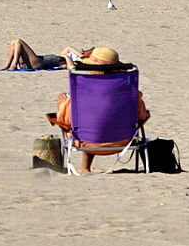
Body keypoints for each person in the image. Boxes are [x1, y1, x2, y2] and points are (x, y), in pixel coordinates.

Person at [48, 46, 149, 174]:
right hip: (124, 141)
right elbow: (141, 116)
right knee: (97, 118)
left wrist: (61, 104)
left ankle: (84, 167)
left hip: (86, 142)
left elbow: (65, 119)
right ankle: (85, 166)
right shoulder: (130, 93)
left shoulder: (80, 93)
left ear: (96, 71)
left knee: (85, 122)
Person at [0, 38, 83, 70]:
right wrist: (81, 54)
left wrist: (67, 57)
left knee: (19, 42)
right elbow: (68, 48)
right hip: (33, 61)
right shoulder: (62, 55)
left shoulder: (68, 61)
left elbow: (71, 68)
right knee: (14, 42)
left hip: (39, 63)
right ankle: (7, 65)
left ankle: (13, 64)